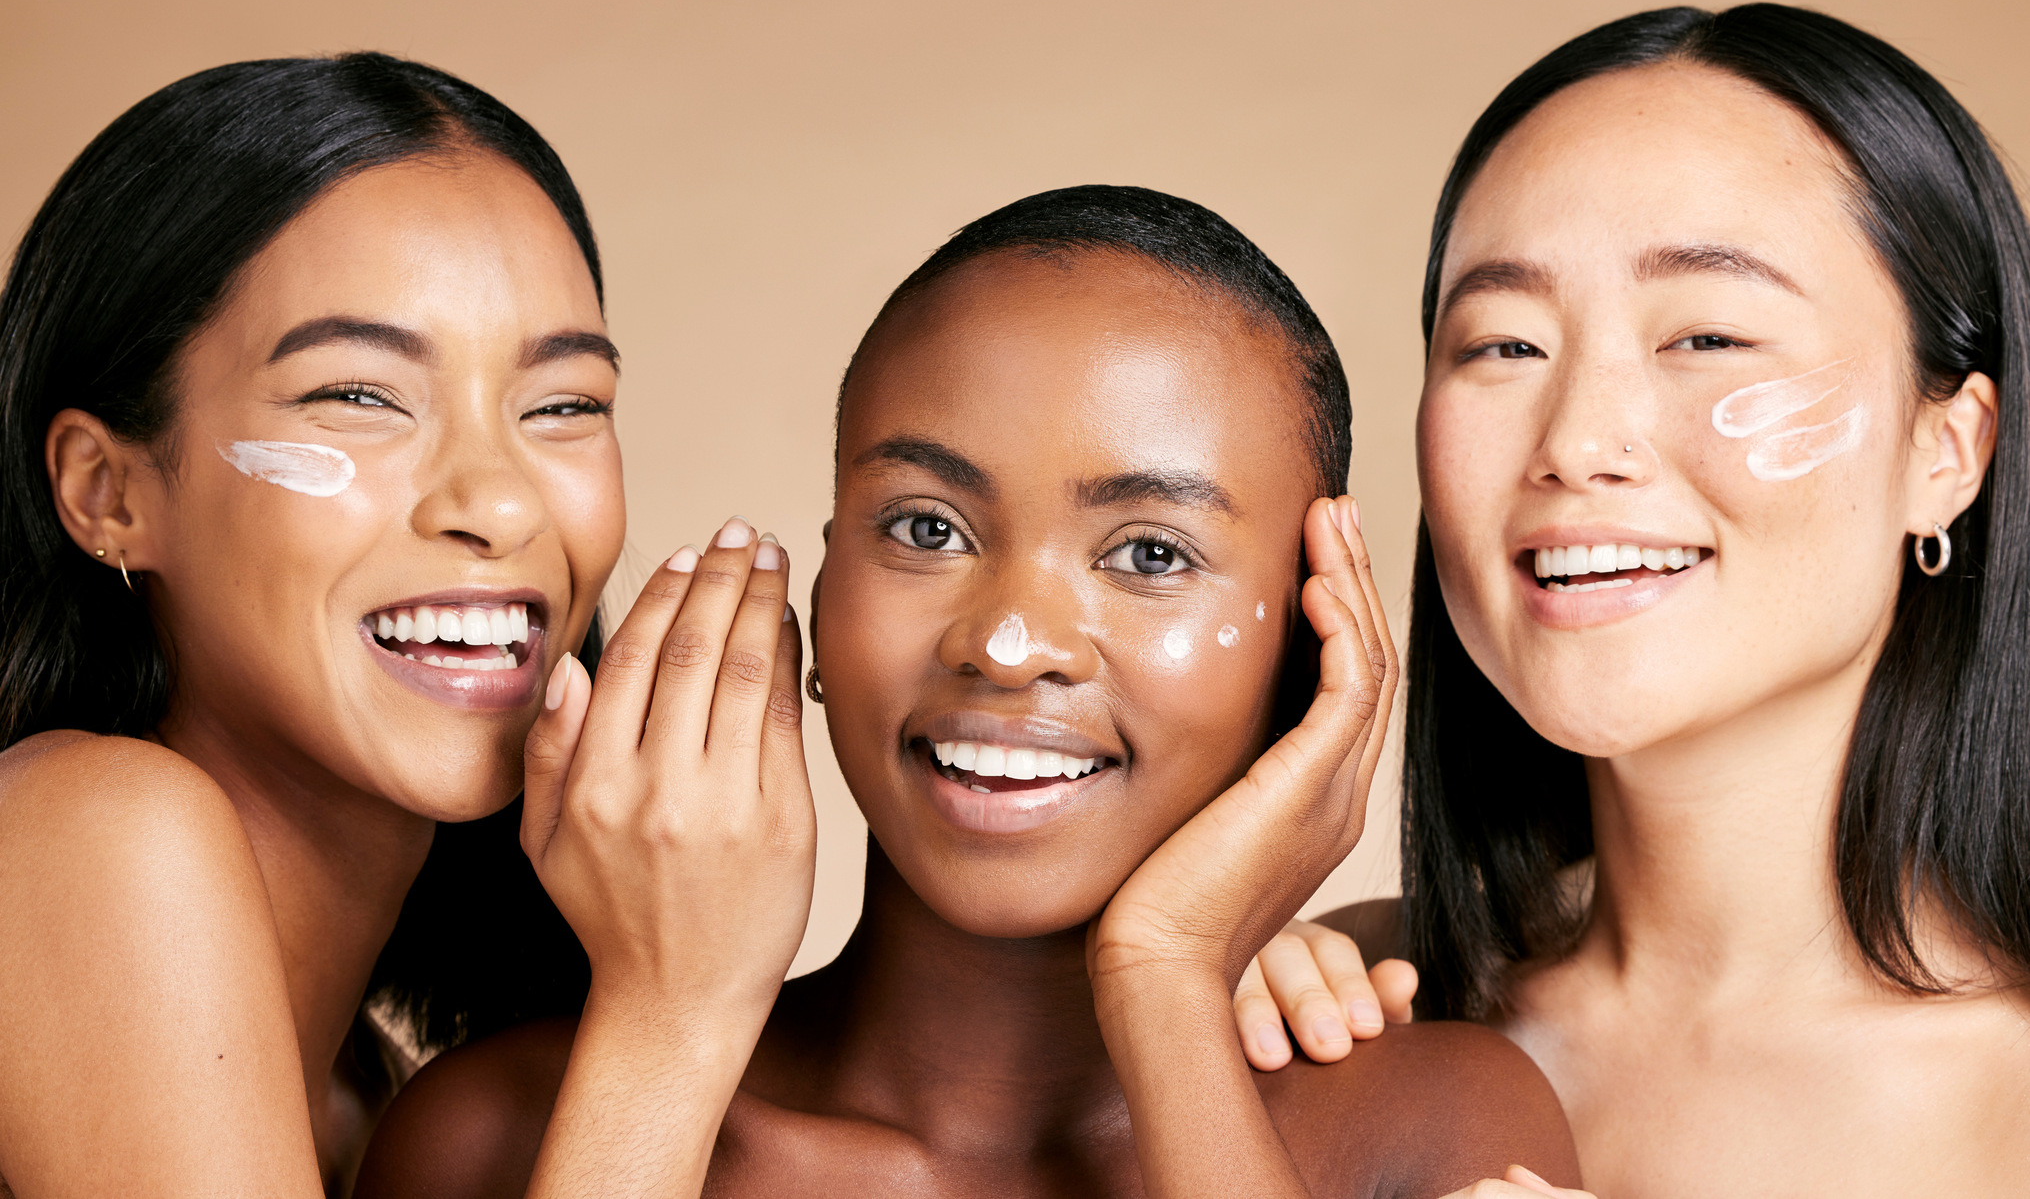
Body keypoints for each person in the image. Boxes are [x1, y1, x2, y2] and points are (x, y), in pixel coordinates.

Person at [358, 185, 1580, 1199]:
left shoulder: (1433, 1126)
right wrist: (658, 1050)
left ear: (1315, 652)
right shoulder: (492, 1135)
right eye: (927, 527)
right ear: (822, 604)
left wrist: (1164, 978)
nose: (1006, 642)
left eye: (1149, 554)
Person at [1237, 3, 2030, 1195]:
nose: (1577, 441)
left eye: (1706, 335)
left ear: (1948, 450)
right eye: (1502, 346)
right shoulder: (1338, 1014)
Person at [0, 54, 815, 1196]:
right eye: (359, 397)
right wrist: (671, 1018)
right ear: (107, 492)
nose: (497, 504)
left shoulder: (368, 1091)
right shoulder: (84, 829)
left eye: (563, 406)